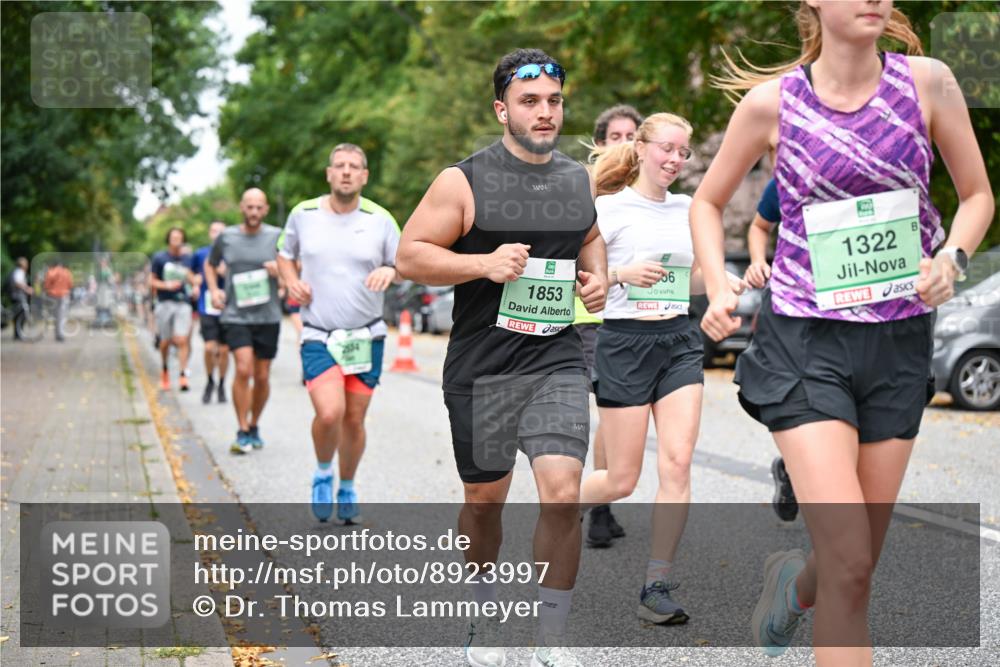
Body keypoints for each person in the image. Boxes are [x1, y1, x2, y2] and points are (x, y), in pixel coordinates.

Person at [690, 2, 993, 664]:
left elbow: (977, 196)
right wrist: (718, 283)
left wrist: (951, 260)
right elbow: (708, 201)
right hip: (804, 339)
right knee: (851, 556)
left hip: (898, 338)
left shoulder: (928, 82)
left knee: (851, 566)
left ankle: (792, 589)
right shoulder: (772, 105)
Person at [396, 48, 607, 667]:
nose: (545, 113)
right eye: (529, 102)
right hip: (482, 367)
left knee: (562, 493)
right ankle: (482, 609)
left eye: (554, 101)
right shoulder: (462, 181)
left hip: (556, 360)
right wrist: (481, 264)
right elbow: (411, 255)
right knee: (485, 505)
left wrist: (594, 278)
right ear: (501, 110)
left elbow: (589, 237)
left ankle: (551, 639)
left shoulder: (575, 179)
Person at [580, 112, 744, 626]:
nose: (675, 160)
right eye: (666, 149)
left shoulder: (692, 210)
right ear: (642, 148)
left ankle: (656, 584)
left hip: (677, 341)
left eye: (683, 152)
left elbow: (692, 281)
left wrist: (725, 284)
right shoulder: (607, 209)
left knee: (676, 464)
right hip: (623, 341)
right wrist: (622, 274)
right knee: (621, 479)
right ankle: (556, 503)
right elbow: (577, 280)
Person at [277, 143, 400, 524]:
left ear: (364, 176)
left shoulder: (381, 219)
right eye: (339, 166)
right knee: (330, 413)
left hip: (366, 336)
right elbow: (284, 254)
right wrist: (291, 280)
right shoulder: (303, 214)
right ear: (329, 173)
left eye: (355, 167)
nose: (346, 172)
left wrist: (392, 272)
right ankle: (322, 471)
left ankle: (347, 484)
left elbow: (406, 261)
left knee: (354, 420)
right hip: (318, 332)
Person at [582, 104, 644, 548]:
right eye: (617, 136)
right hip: (591, 316)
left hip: (637, 316)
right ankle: (597, 506)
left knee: (615, 412)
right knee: (609, 407)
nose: (626, 143)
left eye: (633, 136)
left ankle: (601, 494)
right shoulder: (587, 194)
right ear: (600, 144)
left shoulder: (651, 194)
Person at [206, 190, 282, 454]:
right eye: (249, 207)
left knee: (261, 377)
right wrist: (214, 289)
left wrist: (280, 271)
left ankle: (254, 424)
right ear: (241, 207)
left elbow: (296, 266)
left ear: (266, 209)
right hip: (236, 315)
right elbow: (209, 264)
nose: (253, 212)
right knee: (243, 369)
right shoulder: (227, 237)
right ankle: (241, 429)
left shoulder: (277, 236)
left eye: (259, 207)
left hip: (268, 315)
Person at [744, 178, 799, 523]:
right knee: (799, 396)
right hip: (795, 307)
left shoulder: (881, 174)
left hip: (864, 316)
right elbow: (759, 226)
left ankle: (793, 468)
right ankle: (795, 466)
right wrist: (757, 261)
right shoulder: (787, 178)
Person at [150, 228, 197, 390]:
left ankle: (183, 374)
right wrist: (166, 285)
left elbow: (194, 279)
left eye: (179, 238)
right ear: (168, 239)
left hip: (183, 303)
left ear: (183, 240)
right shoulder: (159, 258)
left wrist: (194, 283)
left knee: (182, 339)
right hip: (164, 302)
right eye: (173, 237)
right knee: (165, 342)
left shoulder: (188, 259)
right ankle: (164, 370)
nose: (176, 240)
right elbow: (152, 281)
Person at [194, 221, 230, 404]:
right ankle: (210, 381)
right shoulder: (200, 253)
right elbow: (193, 274)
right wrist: (194, 283)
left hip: (228, 305)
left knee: (224, 350)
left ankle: (222, 384)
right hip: (206, 305)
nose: (217, 234)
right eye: (214, 231)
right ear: (209, 233)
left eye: (221, 232)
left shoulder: (232, 253)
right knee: (209, 347)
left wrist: (227, 273)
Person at [43, 258, 73, 342]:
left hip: (53, 295)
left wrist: (49, 290)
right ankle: (60, 334)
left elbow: (46, 284)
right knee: (62, 315)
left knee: (56, 315)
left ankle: (57, 333)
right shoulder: (67, 272)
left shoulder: (51, 271)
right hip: (64, 295)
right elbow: (70, 284)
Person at [8, 257, 33, 340]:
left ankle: (18, 334)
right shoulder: (19, 271)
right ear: (22, 264)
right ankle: (18, 334)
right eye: (26, 263)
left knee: (18, 315)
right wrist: (27, 289)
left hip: (16, 295)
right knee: (20, 315)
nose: (27, 265)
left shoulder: (18, 271)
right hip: (18, 296)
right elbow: (18, 283)